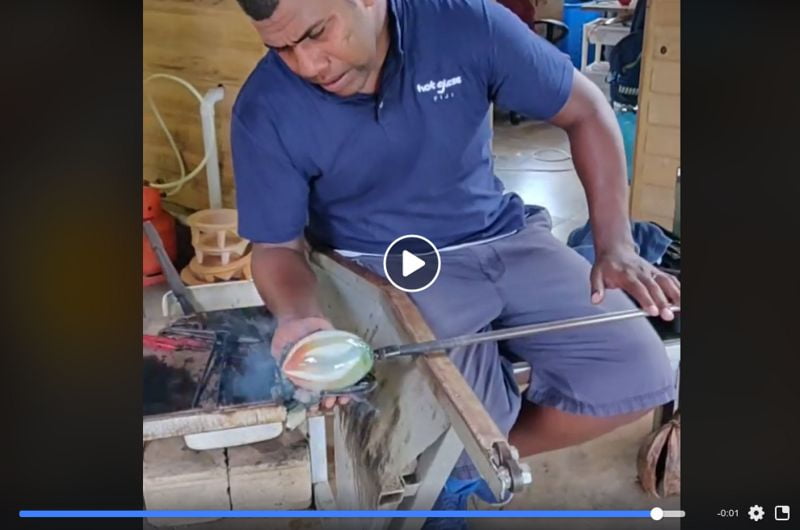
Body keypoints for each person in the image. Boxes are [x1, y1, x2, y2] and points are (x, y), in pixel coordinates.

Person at [230, 0, 680, 526]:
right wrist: (298, 317)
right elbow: (278, 250)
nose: (307, 65)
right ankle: (455, 477)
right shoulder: (266, 108)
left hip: (503, 233)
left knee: (636, 370)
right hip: (383, 262)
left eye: (316, 34)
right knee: (455, 409)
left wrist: (616, 244)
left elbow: (586, 110)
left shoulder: (467, 24)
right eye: (280, 48)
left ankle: (469, 469)